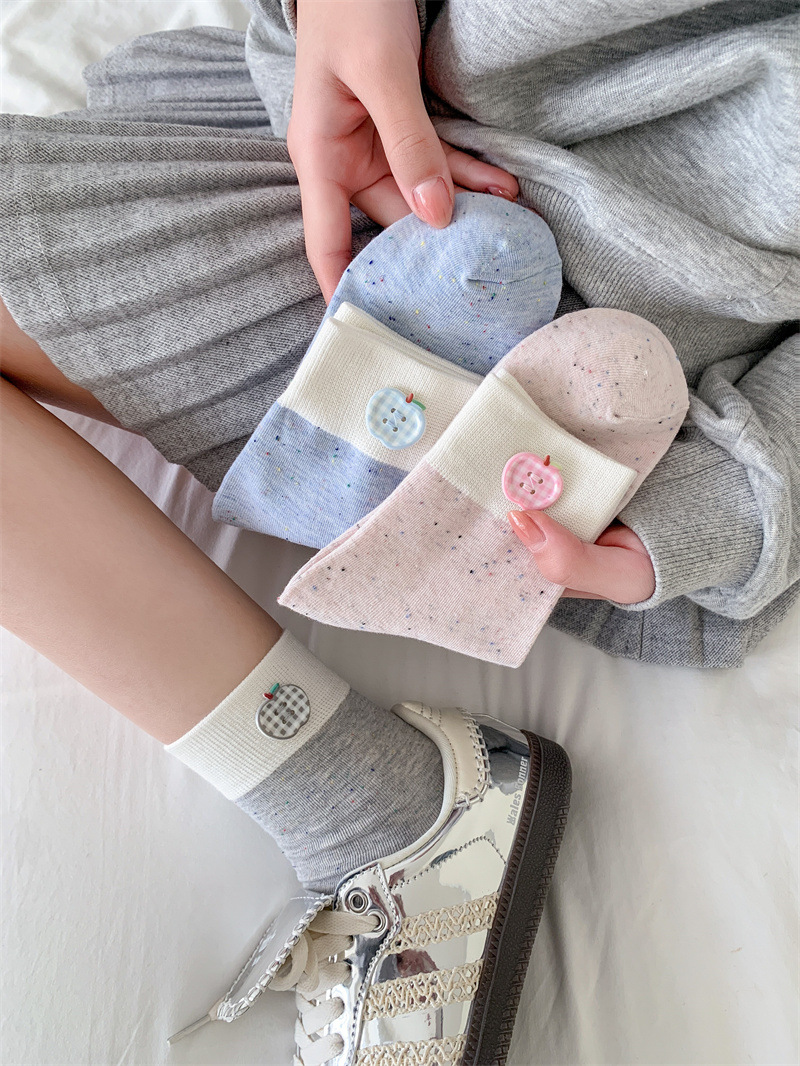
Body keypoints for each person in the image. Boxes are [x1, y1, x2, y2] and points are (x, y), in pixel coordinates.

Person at [1, 0, 797, 1062]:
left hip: (556, 357)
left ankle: (368, 806)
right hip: (355, 150)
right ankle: (371, 800)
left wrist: (701, 517)